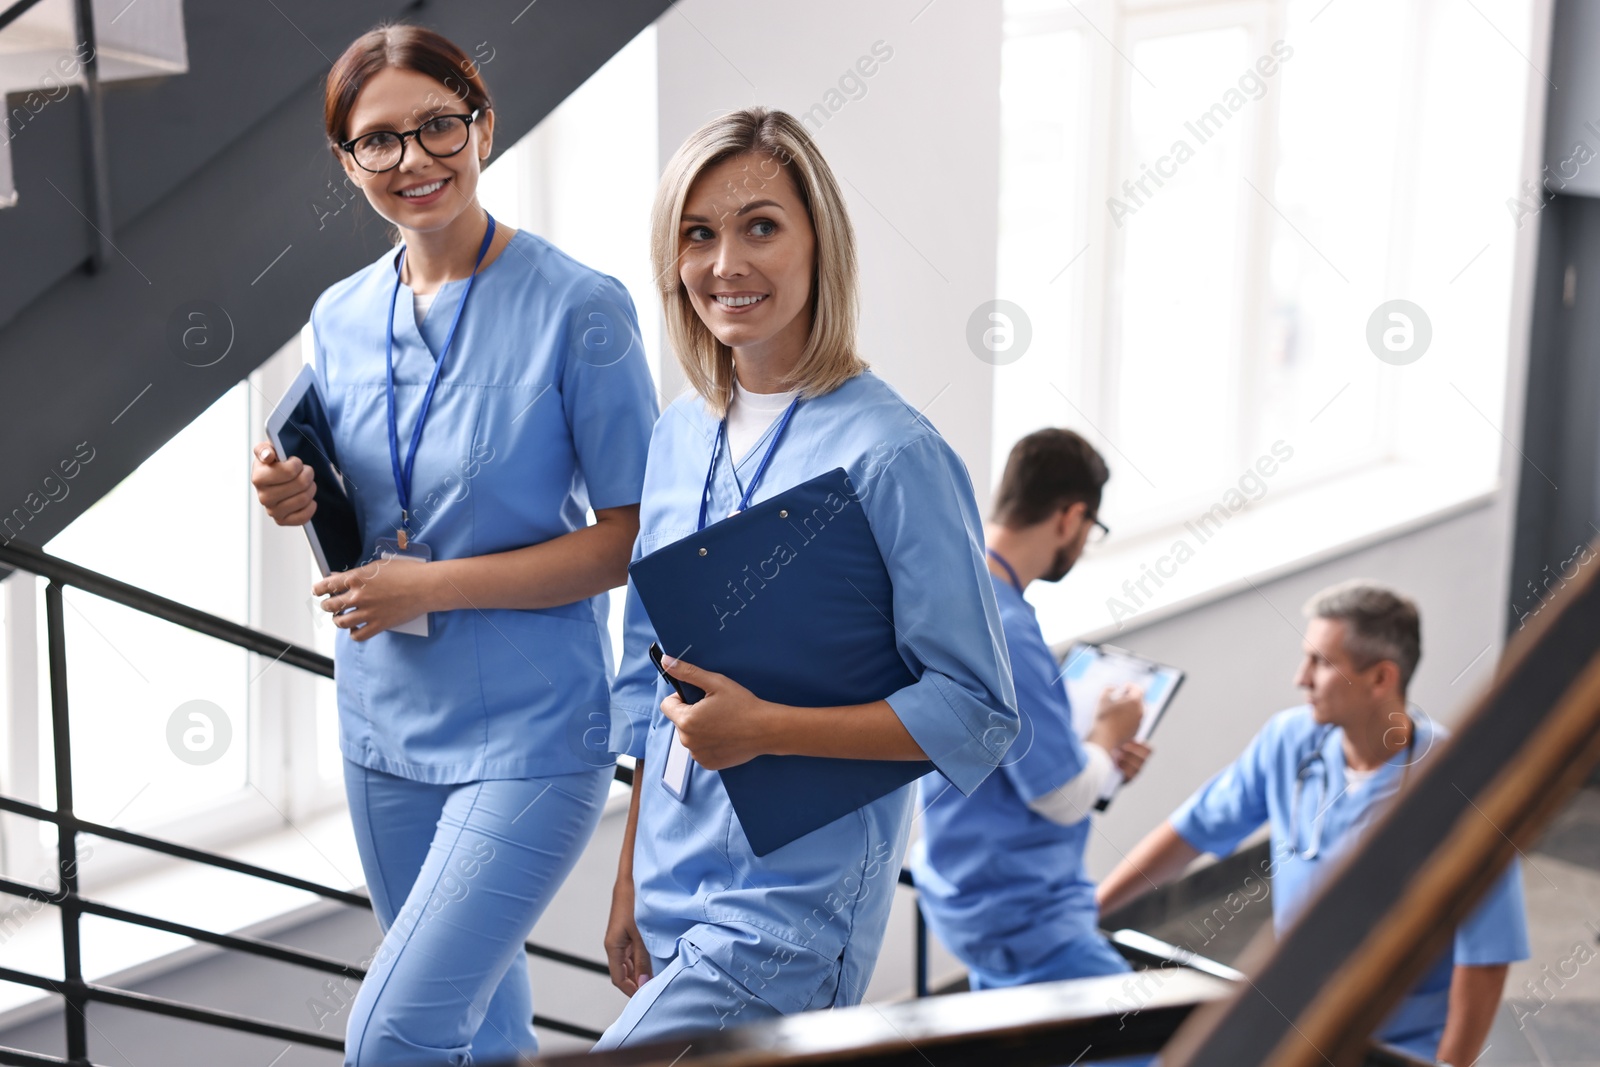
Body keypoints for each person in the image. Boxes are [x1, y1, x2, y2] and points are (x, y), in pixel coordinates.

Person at [249, 24, 658, 1066]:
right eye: (378, 140)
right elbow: (358, 487)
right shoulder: (337, 314)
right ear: (347, 162)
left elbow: (631, 539)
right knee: (481, 1024)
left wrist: (427, 582)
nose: (414, 159)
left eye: (438, 125)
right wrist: (291, 491)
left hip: (530, 729)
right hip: (382, 721)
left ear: (484, 126)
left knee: (392, 1033)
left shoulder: (582, 308)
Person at [595, 107, 1018, 1049]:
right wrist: (626, 873)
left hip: (792, 909)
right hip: (671, 883)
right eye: (698, 234)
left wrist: (767, 731)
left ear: (818, 240)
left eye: (760, 227)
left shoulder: (893, 454)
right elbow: (651, 679)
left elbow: (979, 710)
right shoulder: (678, 433)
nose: (725, 264)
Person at [1096, 581, 1529, 1065]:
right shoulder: (1290, 739)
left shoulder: (1462, 785)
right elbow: (1189, 833)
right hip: (1294, 1022)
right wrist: (1091, 911)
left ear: (1381, 678)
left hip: (1393, 1046)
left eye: (1321, 663)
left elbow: (1485, 959)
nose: (1301, 678)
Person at [910, 428, 1152, 993]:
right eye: (1092, 529)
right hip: (1023, 916)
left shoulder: (950, 589)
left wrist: (1103, 761)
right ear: (1070, 518)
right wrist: (1106, 738)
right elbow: (1061, 797)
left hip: (957, 885)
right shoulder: (1010, 632)